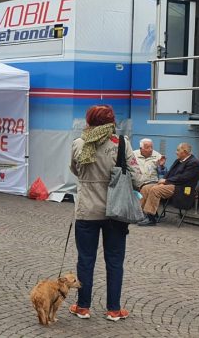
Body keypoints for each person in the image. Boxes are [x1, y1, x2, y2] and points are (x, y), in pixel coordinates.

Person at [69, 104, 141, 322]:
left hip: (87, 210)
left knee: (85, 260)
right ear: (111, 123)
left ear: (89, 121)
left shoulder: (79, 144)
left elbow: (74, 169)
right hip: (115, 211)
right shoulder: (121, 144)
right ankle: (114, 309)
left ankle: (83, 307)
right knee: (115, 261)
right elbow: (137, 176)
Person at [137, 142, 199, 226]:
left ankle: (150, 218)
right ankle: (139, 214)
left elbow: (184, 178)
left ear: (185, 152)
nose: (176, 152)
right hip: (172, 184)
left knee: (155, 190)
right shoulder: (179, 160)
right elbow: (169, 173)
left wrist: (166, 182)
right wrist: (163, 180)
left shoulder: (194, 163)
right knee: (145, 188)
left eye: (178, 150)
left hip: (182, 188)